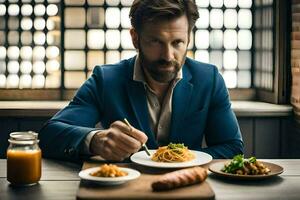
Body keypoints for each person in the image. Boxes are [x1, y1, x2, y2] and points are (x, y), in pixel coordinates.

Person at [39, 0, 244, 162]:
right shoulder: (106, 79)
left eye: (177, 42)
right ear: (135, 38)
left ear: (188, 39)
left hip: (188, 188)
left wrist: (183, 160)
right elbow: (49, 135)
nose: (168, 55)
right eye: (156, 41)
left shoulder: (209, 79)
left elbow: (232, 147)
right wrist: (96, 141)